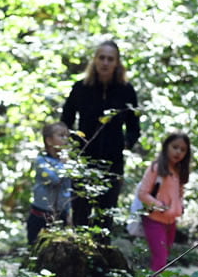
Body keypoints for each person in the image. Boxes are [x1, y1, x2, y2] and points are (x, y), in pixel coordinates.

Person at [60, 40, 140, 233]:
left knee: (105, 216)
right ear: (95, 60)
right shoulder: (80, 88)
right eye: (101, 58)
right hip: (83, 160)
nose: (105, 62)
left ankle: (102, 259)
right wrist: (68, 147)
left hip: (113, 162)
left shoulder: (126, 90)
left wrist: (127, 143)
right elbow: (66, 121)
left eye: (110, 59)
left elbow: (134, 125)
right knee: (80, 214)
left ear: (117, 63)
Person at [136, 132, 191, 270]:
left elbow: (178, 195)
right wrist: (160, 207)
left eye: (182, 149)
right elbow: (142, 193)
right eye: (175, 147)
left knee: (164, 256)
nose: (178, 152)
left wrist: (180, 206)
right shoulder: (156, 167)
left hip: (170, 221)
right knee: (160, 258)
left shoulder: (179, 171)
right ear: (166, 146)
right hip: (153, 219)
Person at [27, 120, 73, 245]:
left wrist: (69, 212)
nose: (65, 140)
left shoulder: (69, 163)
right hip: (40, 215)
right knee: (35, 249)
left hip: (60, 215)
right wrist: (64, 165)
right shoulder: (41, 161)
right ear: (49, 140)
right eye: (61, 136)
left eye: (67, 136)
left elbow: (67, 189)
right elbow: (55, 179)